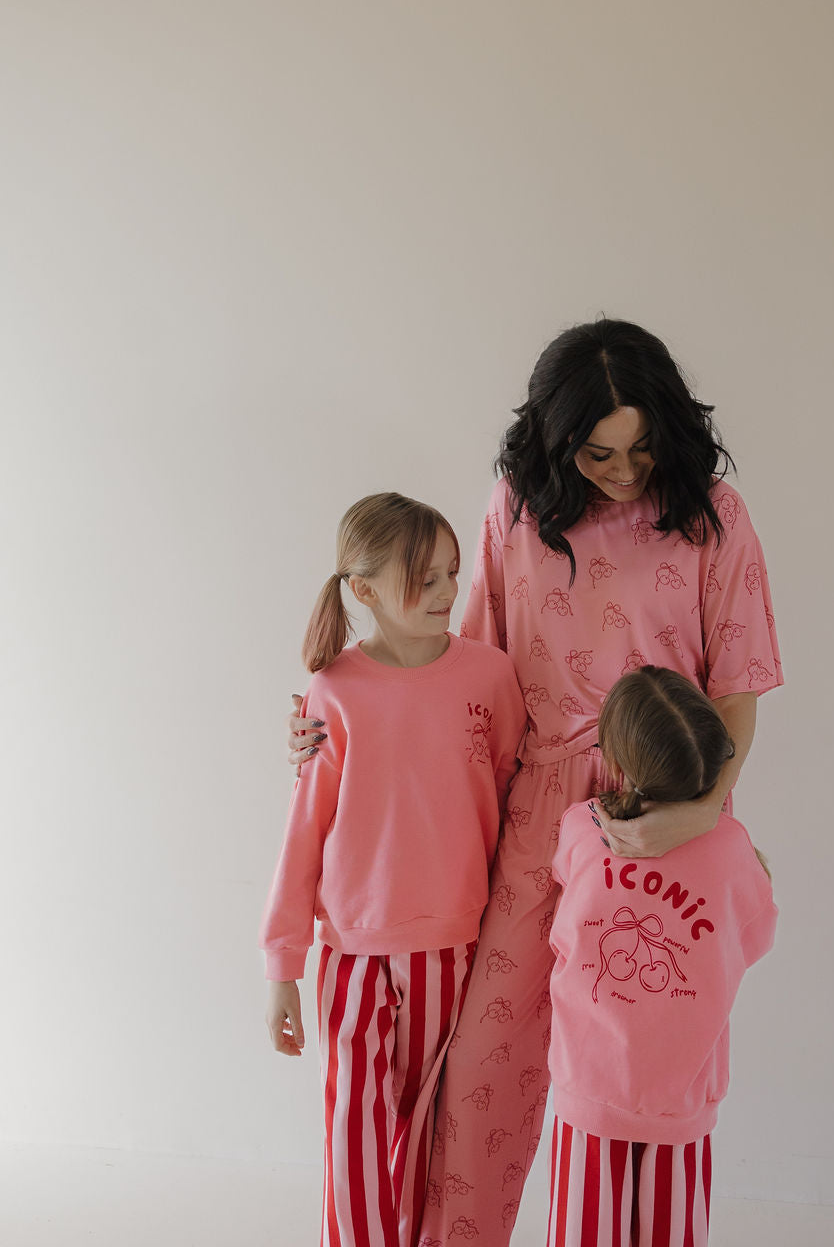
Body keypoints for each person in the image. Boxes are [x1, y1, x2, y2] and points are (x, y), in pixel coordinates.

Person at [289, 320, 783, 1247]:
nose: (624, 471)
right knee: (484, 1068)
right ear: (557, 442)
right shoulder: (515, 508)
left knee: (637, 1082)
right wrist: (340, 718)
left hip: (665, 803)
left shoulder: (714, 515)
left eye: (642, 448)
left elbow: (735, 693)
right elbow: (459, 672)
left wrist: (699, 813)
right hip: (539, 806)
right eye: (599, 453)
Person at [260, 493, 527, 1247]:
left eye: (452, 572)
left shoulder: (490, 677)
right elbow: (304, 831)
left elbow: (513, 793)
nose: (447, 592)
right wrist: (283, 966)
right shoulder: (334, 690)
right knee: (354, 1132)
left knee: (422, 1133)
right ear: (365, 590)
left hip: (452, 946)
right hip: (353, 950)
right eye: (424, 578)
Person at [546, 666, 777, 1247]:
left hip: (590, 1089)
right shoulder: (731, 848)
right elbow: (754, 938)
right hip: (682, 1095)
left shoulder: (581, 830)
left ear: (616, 762)